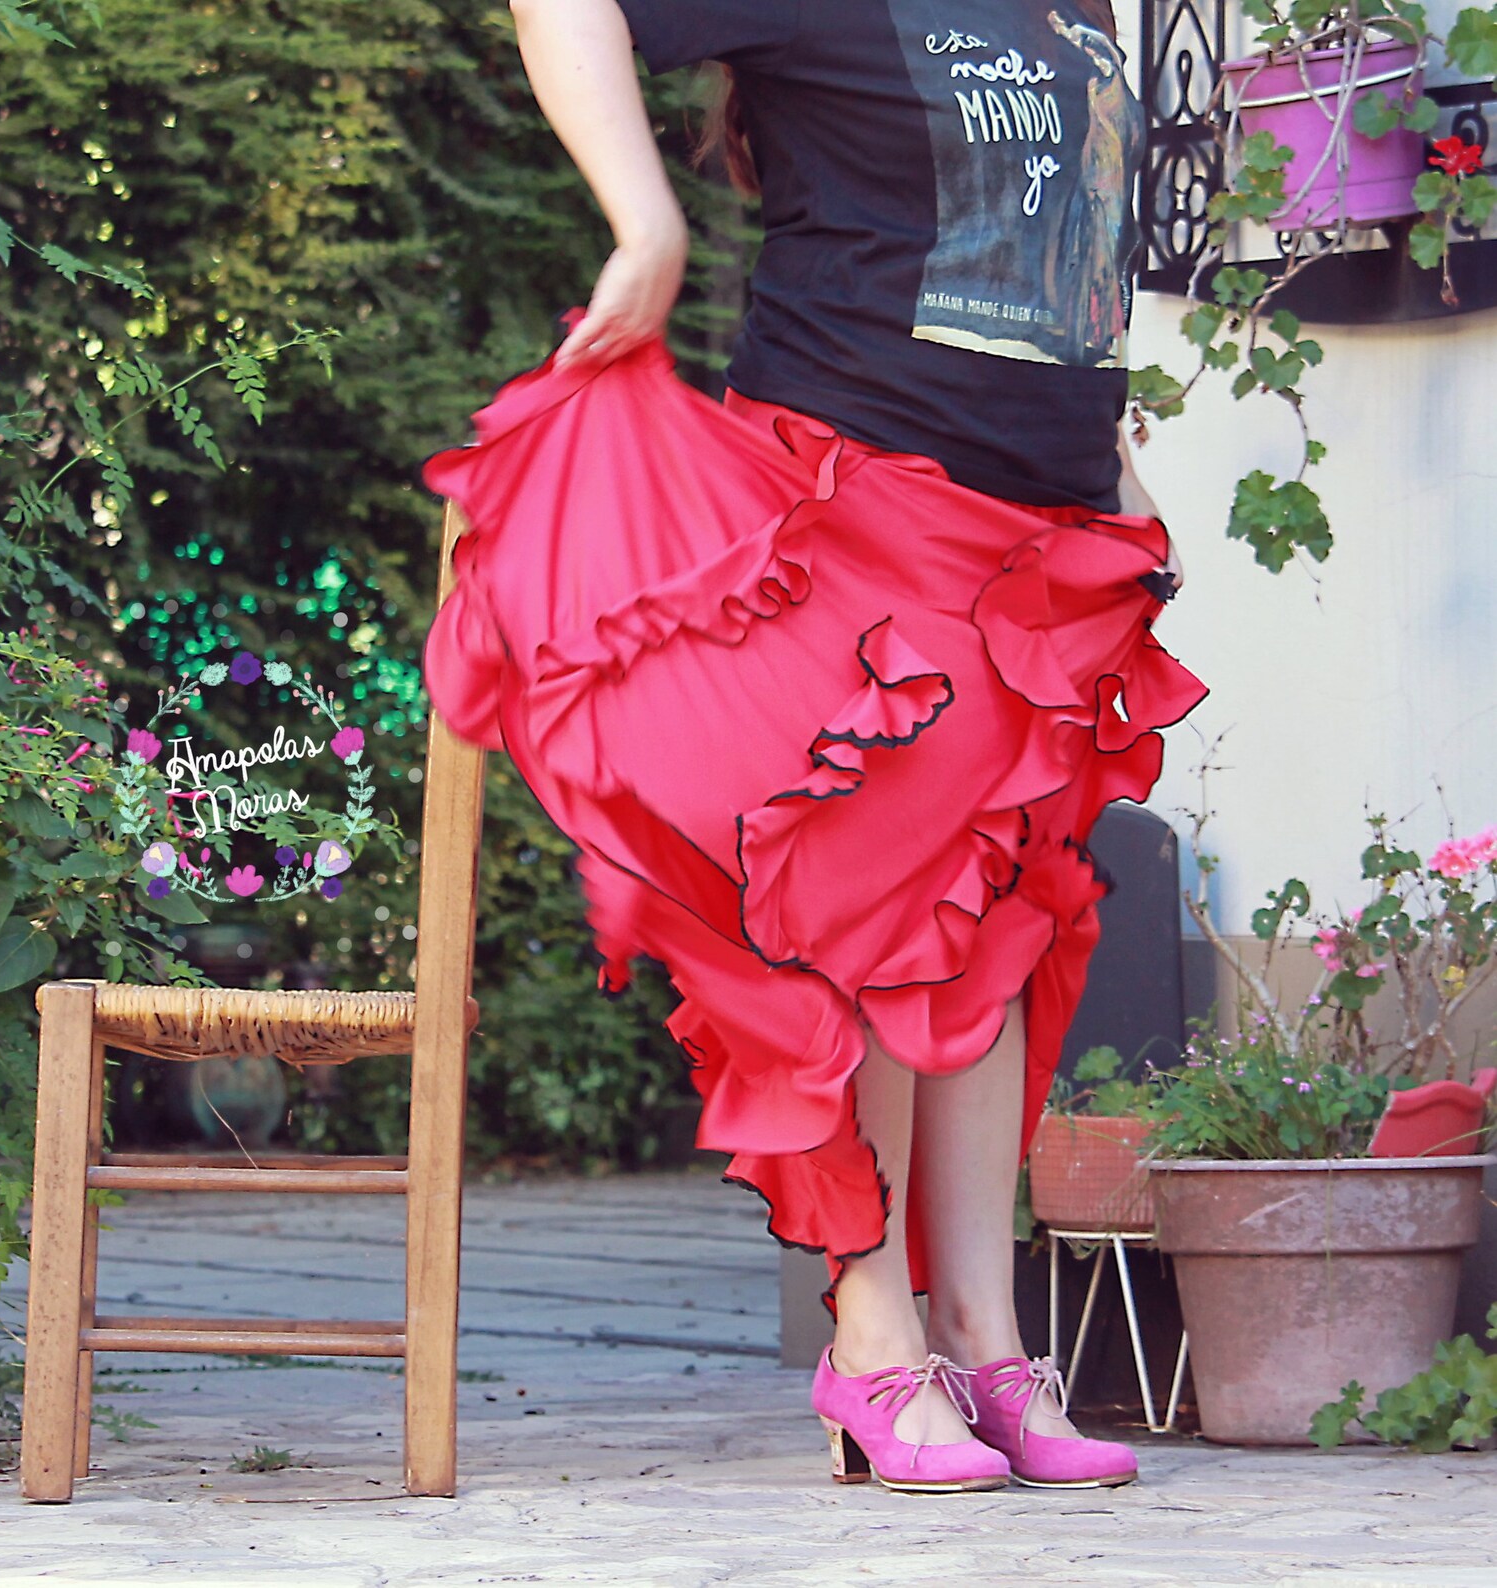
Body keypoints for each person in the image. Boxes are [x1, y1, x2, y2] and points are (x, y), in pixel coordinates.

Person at [421, 0, 1205, 1495]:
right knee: (868, 928)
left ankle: (983, 1341)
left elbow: (1054, 223)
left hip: (1041, 521)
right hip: (859, 492)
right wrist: (645, 223)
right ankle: (870, 1339)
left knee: (989, 927)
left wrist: (1107, 446)